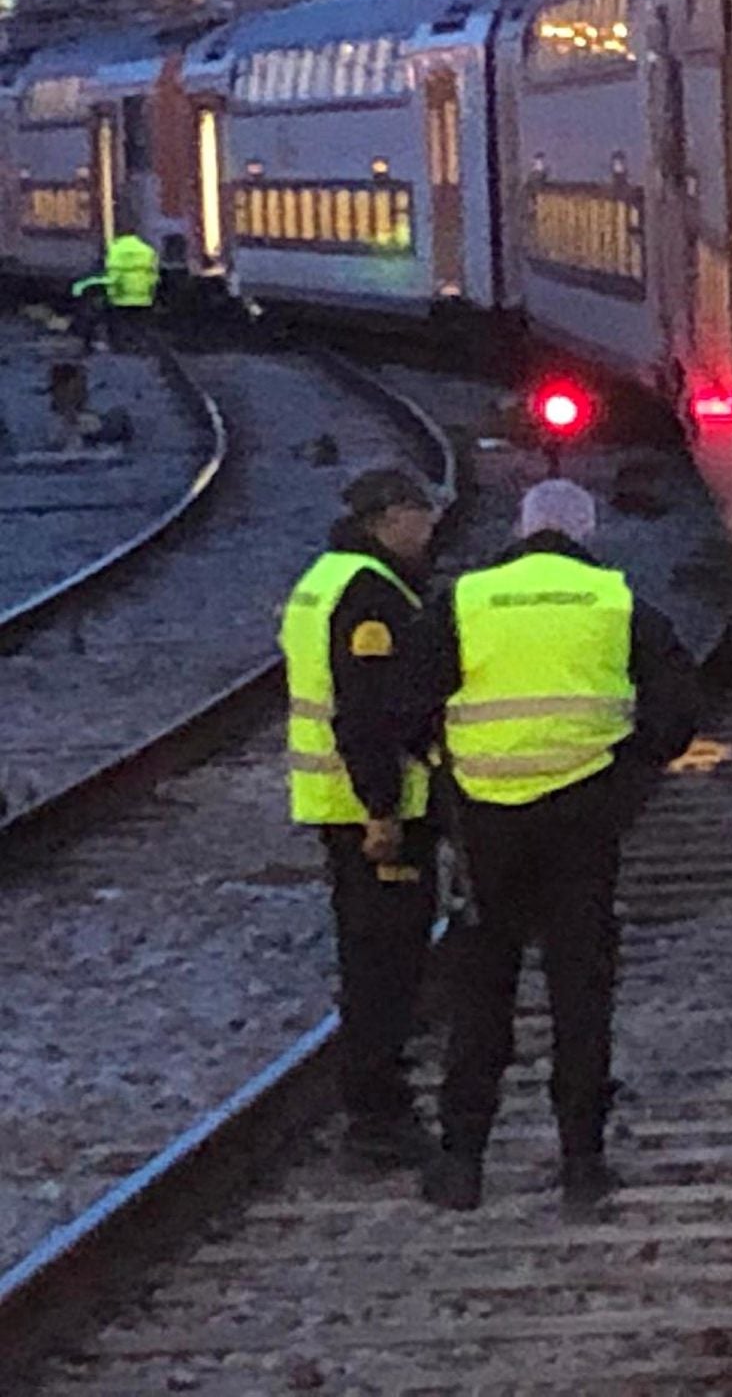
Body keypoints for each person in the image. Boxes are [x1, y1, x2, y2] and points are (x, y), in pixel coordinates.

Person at [420, 478, 701, 1215]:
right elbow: (677, 701)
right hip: (581, 818)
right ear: (586, 531)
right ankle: (582, 1162)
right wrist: (631, 768)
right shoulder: (614, 600)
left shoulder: (467, 600)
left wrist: (441, 776)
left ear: (520, 529)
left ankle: (461, 1164)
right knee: (580, 988)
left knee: (482, 988)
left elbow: (406, 702)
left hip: (485, 823)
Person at [279, 465, 446, 1165]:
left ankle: (376, 1105)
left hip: (337, 803)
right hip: (374, 812)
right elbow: (368, 713)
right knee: (387, 963)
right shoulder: (370, 596)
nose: (430, 525)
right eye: (419, 513)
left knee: (368, 956)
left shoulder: (323, 579)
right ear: (386, 518)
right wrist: (382, 809)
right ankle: (377, 1118)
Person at [69, 230, 162, 351]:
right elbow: (154, 275)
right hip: (143, 299)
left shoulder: (115, 249)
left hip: (120, 298)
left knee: (111, 321)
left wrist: (82, 285)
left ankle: (118, 345)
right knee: (139, 326)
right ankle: (140, 346)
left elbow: (111, 277)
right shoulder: (148, 250)